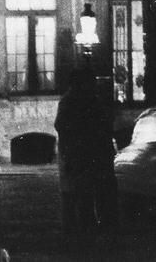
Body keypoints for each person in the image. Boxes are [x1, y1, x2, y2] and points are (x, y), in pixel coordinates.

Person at [54, 69, 117, 232]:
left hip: (82, 154)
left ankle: (82, 225)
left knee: (81, 193)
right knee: (84, 193)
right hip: (83, 154)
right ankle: (85, 226)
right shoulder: (81, 101)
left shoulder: (74, 100)